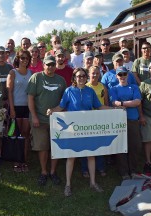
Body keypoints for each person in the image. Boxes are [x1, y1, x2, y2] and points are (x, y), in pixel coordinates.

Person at [47, 67, 109, 196]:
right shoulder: (69, 91)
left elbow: (99, 106)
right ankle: (68, 185)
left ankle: (93, 182)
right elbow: (61, 106)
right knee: (71, 156)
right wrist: (52, 110)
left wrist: (115, 109)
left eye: (83, 76)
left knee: (91, 155)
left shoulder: (90, 91)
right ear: (74, 78)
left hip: (87, 128)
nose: (81, 78)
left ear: (86, 77)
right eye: (78, 76)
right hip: (73, 129)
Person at [26, 55, 66, 186]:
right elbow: (30, 98)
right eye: (48, 65)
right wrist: (34, 116)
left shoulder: (61, 80)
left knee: (55, 147)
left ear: (56, 66)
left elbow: (64, 100)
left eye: (52, 65)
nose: (50, 67)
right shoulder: (36, 78)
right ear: (43, 65)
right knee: (42, 146)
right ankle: (44, 172)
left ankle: (53, 171)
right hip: (39, 119)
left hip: (56, 120)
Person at [110, 66, 142, 179]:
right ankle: (123, 172)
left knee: (135, 146)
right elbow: (114, 102)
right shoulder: (113, 88)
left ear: (127, 75)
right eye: (120, 74)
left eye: (124, 74)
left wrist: (122, 103)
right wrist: (129, 102)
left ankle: (133, 170)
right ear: (116, 76)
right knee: (121, 146)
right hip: (119, 121)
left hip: (133, 119)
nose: (122, 76)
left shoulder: (133, 87)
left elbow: (137, 102)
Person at [7, 50, 33, 172]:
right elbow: (9, 92)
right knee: (16, 135)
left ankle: (24, 160)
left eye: (26, 58)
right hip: (15, 107)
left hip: (27, 108)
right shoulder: (12, 73)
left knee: (25, 135)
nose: (24, 60)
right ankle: (16, 160)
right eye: (22, 58)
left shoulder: (31, 73)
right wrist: (11, 109)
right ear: (18, 59)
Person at [82, 65, 109, 177]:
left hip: (100, 118)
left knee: (100, 143)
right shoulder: (85, 86)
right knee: (86, 144)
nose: (95, 75)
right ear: (89, 74)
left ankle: (100, 167)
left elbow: (106, 102)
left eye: (97, 73)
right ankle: (85, 169)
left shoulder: (103, 87)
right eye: (93, 73)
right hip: (87, 119)